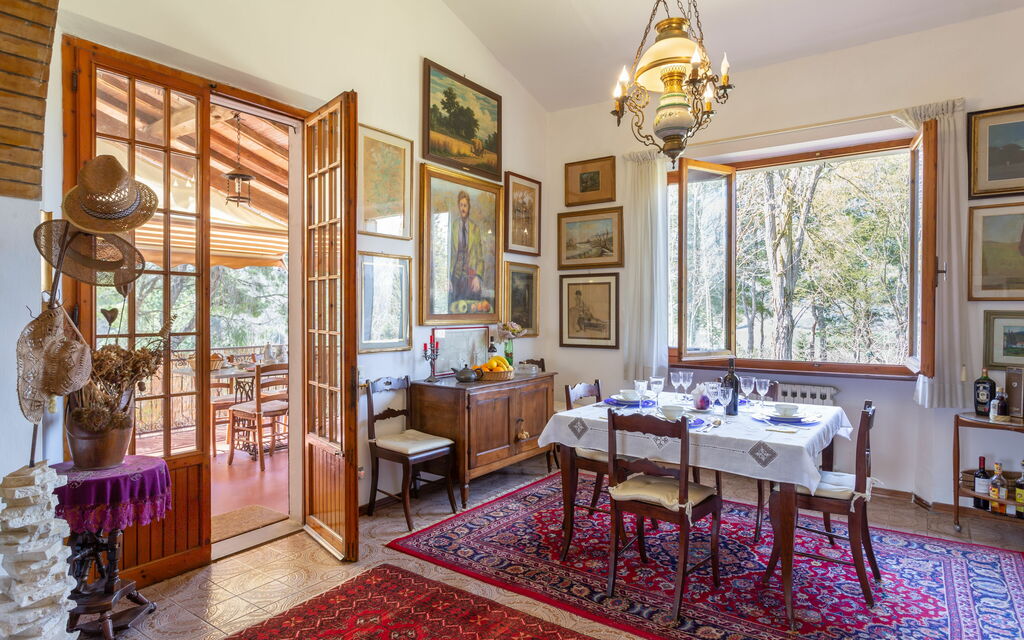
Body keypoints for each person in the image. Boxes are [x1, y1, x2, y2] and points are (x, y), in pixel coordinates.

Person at [449, 190, 485, 303]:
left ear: (469, 207)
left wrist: (478, 277)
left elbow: (480, 257)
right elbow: (446, 254)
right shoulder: (453, 227)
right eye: (460, 205)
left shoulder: (475, 229)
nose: (462, 208)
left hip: (470, 278)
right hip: (455, 278)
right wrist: (446, 277)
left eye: (465, 205)